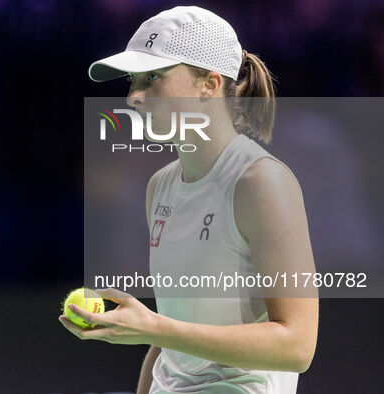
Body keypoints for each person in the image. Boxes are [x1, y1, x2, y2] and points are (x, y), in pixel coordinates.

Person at [59, 6, 318, 394]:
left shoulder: (262, 182)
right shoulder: (160, 185)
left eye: (153, 78)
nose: (134, 97)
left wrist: (155, 326)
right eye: (133, 80)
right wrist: (155, 338)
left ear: (210, 84)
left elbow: (298, 345)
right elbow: (172, 340)